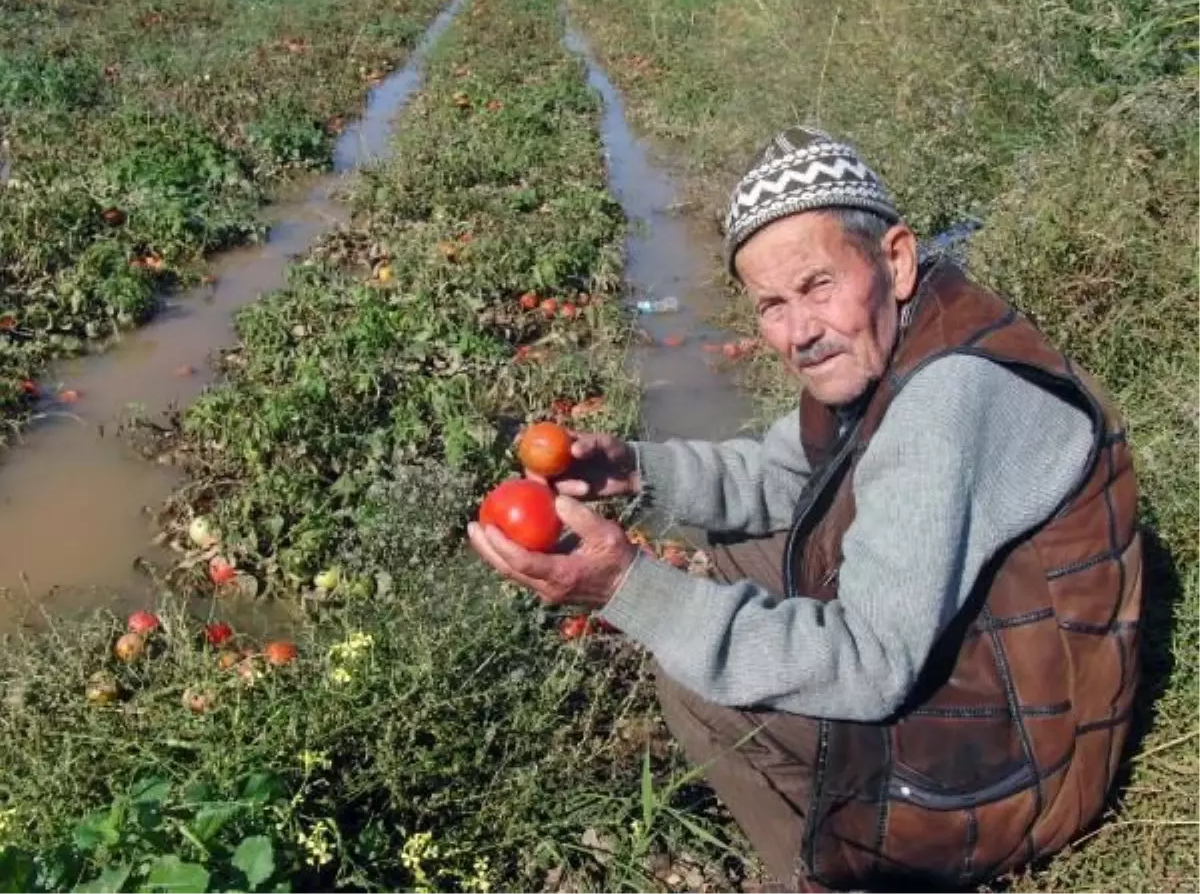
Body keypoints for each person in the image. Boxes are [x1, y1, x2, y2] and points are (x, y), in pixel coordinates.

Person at [468, 127, 1142, 892]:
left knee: (701, 687)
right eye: (772, 305)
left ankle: (834, 875)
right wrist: (633, 469)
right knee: (738, 539)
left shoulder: (945, 401)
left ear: (894, 258)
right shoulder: (901, 336)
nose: (798, 333)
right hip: (995, 654)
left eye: (819, 286)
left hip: (1030, 759)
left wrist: (628, 589)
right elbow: (783, 476)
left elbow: (874, 665)